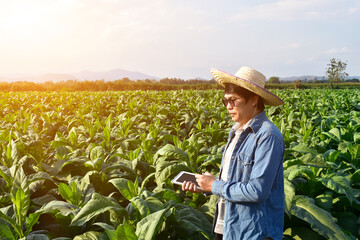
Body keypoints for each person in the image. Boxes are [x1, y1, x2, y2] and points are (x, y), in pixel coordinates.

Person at [182, 66, 285, 240]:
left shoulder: (268, 136)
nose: (228, 106)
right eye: (225, 101)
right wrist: (206, 185)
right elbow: (236, 180)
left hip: (253, 232)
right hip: (228, 226)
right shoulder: (236, 130)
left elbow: (257, 191)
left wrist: (214, 185)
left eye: (233, 100)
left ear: (253, 100)